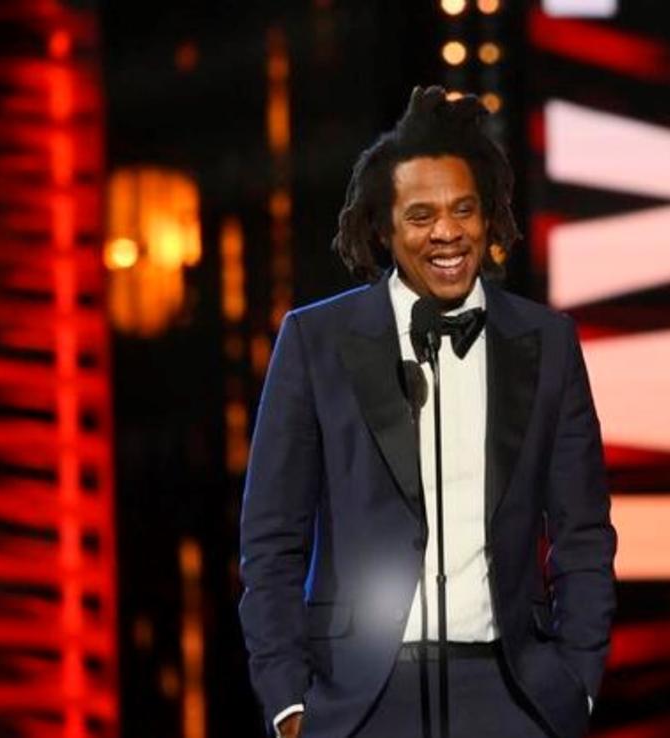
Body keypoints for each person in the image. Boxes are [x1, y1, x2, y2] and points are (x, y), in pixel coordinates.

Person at [239, 86, 616, 738]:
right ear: (383, 229)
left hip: (513, 696)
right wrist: (289, 701)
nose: (447, 232)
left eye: (464, 210)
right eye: (421, 216)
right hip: (358, 700)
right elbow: (271, 540)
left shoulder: (547, 342)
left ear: (489, 217)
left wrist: (574, 684)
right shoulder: (316, 341)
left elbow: (583, 532)